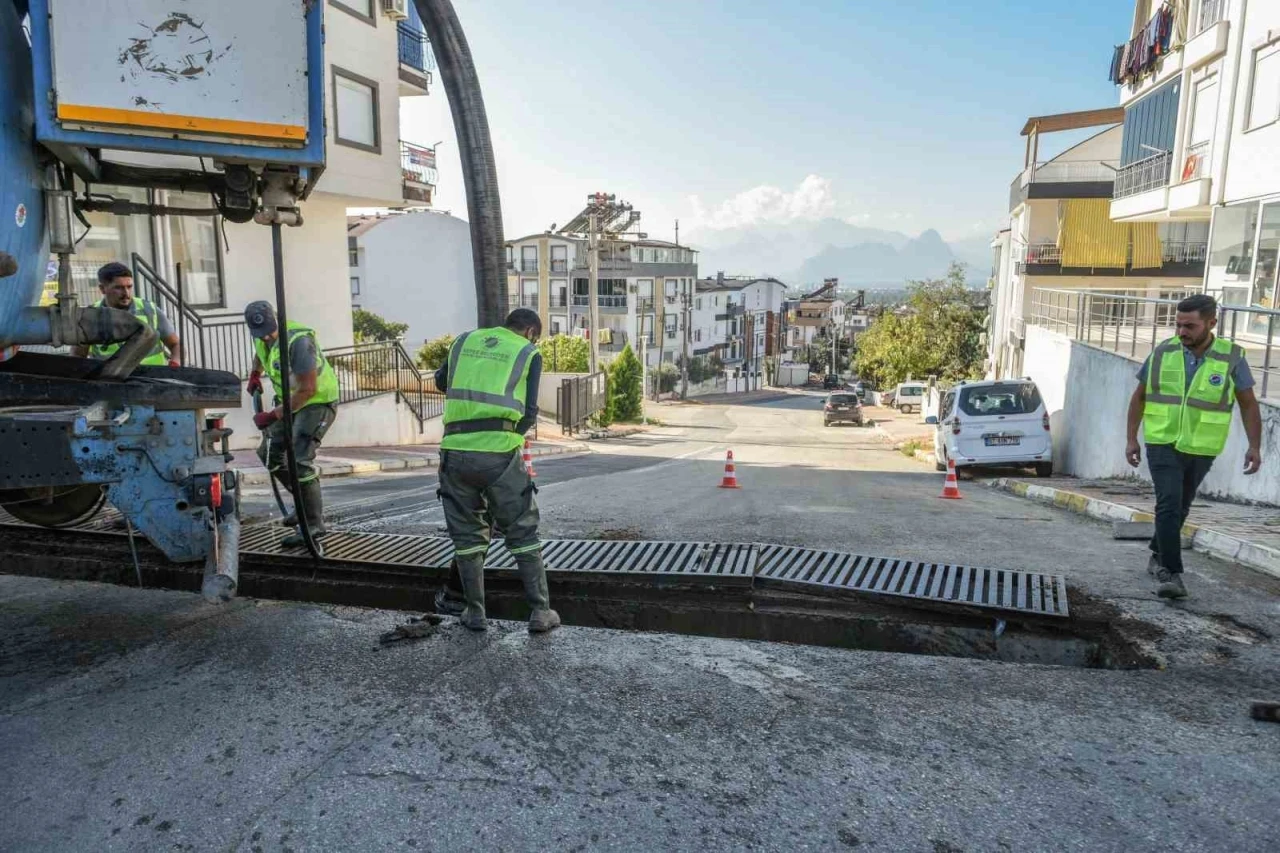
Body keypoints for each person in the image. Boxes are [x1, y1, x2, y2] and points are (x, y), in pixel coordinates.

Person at [1126, 294, 1263, 600]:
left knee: (1182, 504)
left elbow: (1248, 404)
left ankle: (1157, 553)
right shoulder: (1163, 352)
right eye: (1178, 324)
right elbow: (1140, 396)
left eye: (1190, 326)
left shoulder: (1232, 357)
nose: (1181, 332)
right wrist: (1132, 438)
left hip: (1202, 445)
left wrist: (1254, 446)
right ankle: (1170, 572)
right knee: (1169, 502)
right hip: (1162, 440)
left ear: (1211, 323)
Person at [433, 308, 559, 633]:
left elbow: (440, 382)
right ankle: (540, 612)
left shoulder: (463, 341)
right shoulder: (528, 352)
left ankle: (475, 613)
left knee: (466, 536)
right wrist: (513, 438)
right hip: (500, 451)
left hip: (455, 451)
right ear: (531, 331)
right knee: (523, 531)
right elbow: (530, 411)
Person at [244, 301, 339, 548]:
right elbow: (261, 352)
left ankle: (313, 524)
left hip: (316, 403)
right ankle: (302, 505)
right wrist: (255, 373)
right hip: (290, 402)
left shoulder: (298, 342)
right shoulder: (262, 336)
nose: (266, 335)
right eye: (260, 332)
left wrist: (272, 416)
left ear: (276, 320)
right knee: (269, 455)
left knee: (299, 461)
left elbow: (307, 390)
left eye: (269, 330)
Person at [72, 261, 182, 366]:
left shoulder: (150, 310)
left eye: (129, 287)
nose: (126, 293)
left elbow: (175, 345)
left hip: (153, 380)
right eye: (118, 288)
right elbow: (78, 355)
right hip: (110, 382)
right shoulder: (90, 316)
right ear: (102, 289)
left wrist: (174, 365)